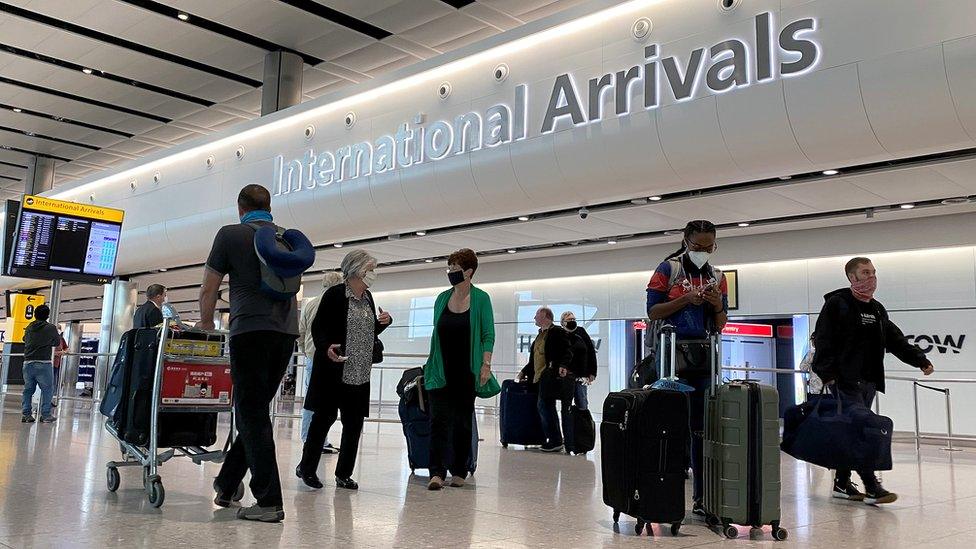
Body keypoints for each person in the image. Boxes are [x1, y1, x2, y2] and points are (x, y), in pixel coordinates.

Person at [197, 184, 299, 523]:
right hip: (285, 334)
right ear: (269, 207)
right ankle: (226, 485)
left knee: (251, 414)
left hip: (249, 331)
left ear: (240, 208)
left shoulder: (230, 235)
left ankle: (269, 500)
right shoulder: (285, 237)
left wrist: (207, 323)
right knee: (254, 413)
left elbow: (209, 286)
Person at [812, 257, 934, 505]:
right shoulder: (838, 304)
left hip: (868, 382)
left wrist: (919, 360)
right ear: (852, 277)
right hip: (844, 381)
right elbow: (823, 340)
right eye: (865, 272)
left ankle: (841, 483)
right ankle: (872, 485)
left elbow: (895, 339)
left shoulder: (877, 309)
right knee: (861, 430)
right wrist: (829, 375)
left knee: (850, 431)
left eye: (873, 272)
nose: (871, 277)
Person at [646, 220, 728, 518]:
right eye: (697, 247)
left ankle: (702, 497)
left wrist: (717, 303)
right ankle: (662, 494)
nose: (703, 252)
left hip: (703, 357)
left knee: (702, 428)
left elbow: (720, 324)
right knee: (669, 424)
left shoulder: (717, 276)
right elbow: (652, 312)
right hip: (670, 355)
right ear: (686, 241)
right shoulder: (668, 270)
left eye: (709, 247)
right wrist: (685, 299)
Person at [299, 250, 392, 491]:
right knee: (322, 420)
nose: (373, 274)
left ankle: (344, 474)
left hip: (360, 372)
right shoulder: (335, 295)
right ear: (358, 270)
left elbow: (365, 333)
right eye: (370, 269)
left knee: (353, 425)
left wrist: (384, 323)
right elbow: (319, 329)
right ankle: (306, 468)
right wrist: (325, 346)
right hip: (335, 370)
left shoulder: (368, 297)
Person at [422, 248, 496, 490]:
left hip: (467, 371)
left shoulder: (481, 298)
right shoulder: (441, 299)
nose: (451, 273)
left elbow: (487, 334)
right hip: (440, 370)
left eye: (455, 269)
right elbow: (436, 333)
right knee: (438, 421)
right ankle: (436, 472)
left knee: (462, 421)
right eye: (450, 269)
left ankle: (460, 470)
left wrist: (486, 364)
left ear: (469, 271)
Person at [298, 272, 343, 455]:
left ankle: (313, 438)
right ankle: (314, 439)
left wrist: (305, 350)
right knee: (324, 401)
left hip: (312, 356)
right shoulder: (336, 303)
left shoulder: (311, 304)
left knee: (313, 398)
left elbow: (301, 331)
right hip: (328, 357)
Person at [517, 307, 573, 453]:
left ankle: (555, 440)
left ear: (545, 317)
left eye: (537, 315)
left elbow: (567, 351)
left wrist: (562, 365)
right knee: (545, 406)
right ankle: (551, 438)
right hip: (538, 378)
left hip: (549, 377)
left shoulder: (557, 332)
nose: (534, 318)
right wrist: (523, 371)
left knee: (545, 405)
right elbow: (534, 359)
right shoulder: (540, 335)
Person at [560, 311, 597, 454]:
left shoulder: (581, 332)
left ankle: (583, 439)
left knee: (582, 405)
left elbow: (591, 352)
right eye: (569, 319)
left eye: (574, 319)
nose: (572, 321)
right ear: (563, 321)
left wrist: (592, 372)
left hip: (581, 377)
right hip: (567, 378)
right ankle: (569, 440)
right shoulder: (561, 335)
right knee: (567, 408)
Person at [21, 304, 61, 423]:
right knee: (47, 389)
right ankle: (45, 415)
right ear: (47, 315)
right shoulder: (51, 328)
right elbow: (56, 342)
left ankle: (26, 415)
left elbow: (24, 339)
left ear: (34, 315)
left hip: (28, 362)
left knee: (28, 390)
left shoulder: (29, 327)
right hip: (43, 363)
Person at [50, 328, 68, 408]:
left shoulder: (61, 339)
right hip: (49, 364)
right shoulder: (49, 337)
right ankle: (46, 401)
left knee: (54, 383)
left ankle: (50, 400)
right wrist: (56, 353)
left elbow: (66, 348)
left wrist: (63, 352)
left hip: (57, 364)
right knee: (49, 383)